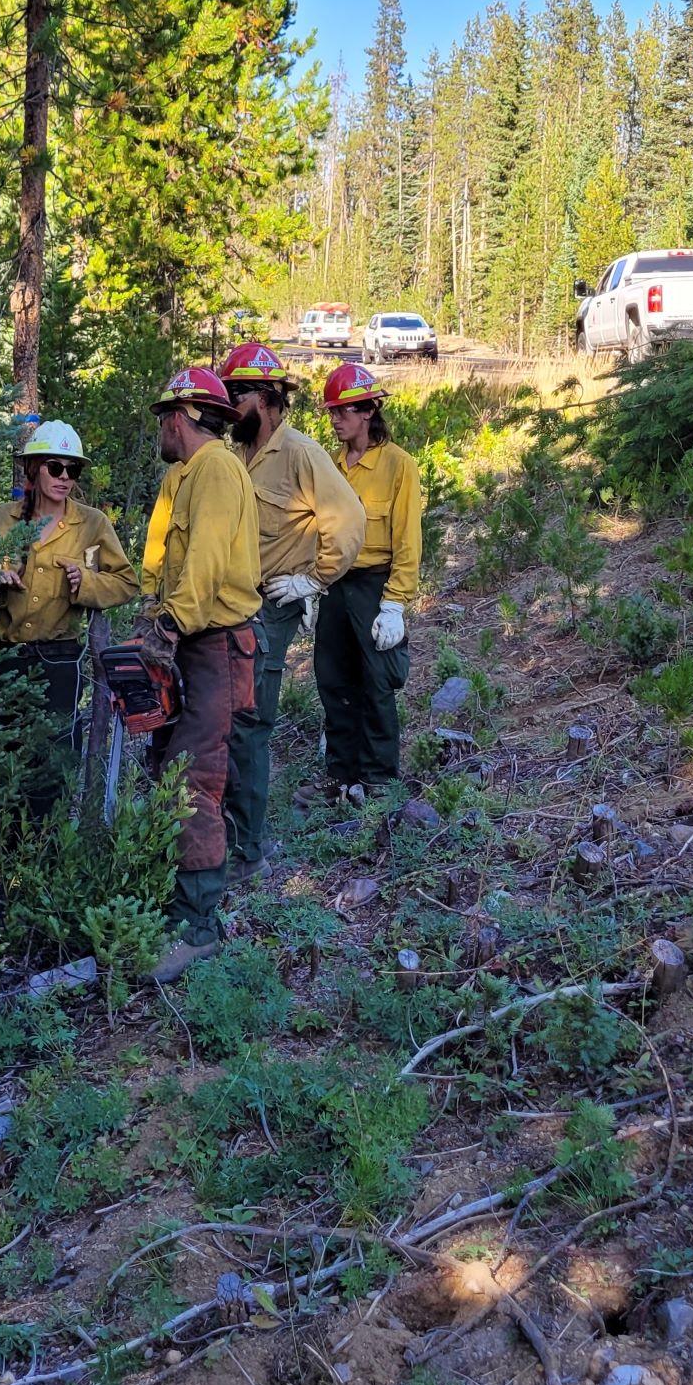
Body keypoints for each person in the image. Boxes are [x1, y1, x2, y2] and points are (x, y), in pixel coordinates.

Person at [219, 341, 363, 880]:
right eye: (228, 393)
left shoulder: (301, 453)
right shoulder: (234, 456)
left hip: (272, 606)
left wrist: (314, 580)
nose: (231, 406)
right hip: (232, 604)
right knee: (226, 719)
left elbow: (348, 519)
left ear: (271, 398)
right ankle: (229, 833)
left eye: (240, 395)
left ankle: (248, 849)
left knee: (250, 722)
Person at [138, 366, 261, 982]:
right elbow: (160, 555)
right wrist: (151, 612)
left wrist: (169, 623)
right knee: (169, 764)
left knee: (194, 776)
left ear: (181, 418)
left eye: (165, 417)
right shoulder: (179, 475)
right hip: (189, 639)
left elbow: (208, 556)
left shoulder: (214, 467)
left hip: (211, 642)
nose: (161, 427)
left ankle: (198, 925)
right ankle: (178, 895)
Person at [0, 422, 139, 828]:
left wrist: (86, 585)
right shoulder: (3, 519)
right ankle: (3, 860)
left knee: (52, 763)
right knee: (2, 760)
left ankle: (44, 860)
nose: (65, 478)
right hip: (4, 658)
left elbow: (125, 582)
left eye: (73, 470)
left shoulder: (92, 524)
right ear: (33, 469)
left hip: (59, 661)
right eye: (56, 467)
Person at [314, 363, 423, 804]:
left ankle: (377, 779)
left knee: (377, 682)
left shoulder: (398, 466)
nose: (336, 420)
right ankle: (340, 774)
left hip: (375, 586)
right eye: (332, 413)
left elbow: (407, 541)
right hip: (336, 585)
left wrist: (395, 604)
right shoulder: (330, 466)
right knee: (334, 680)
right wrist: (310, 581)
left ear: (368, 411)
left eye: (344, 411)